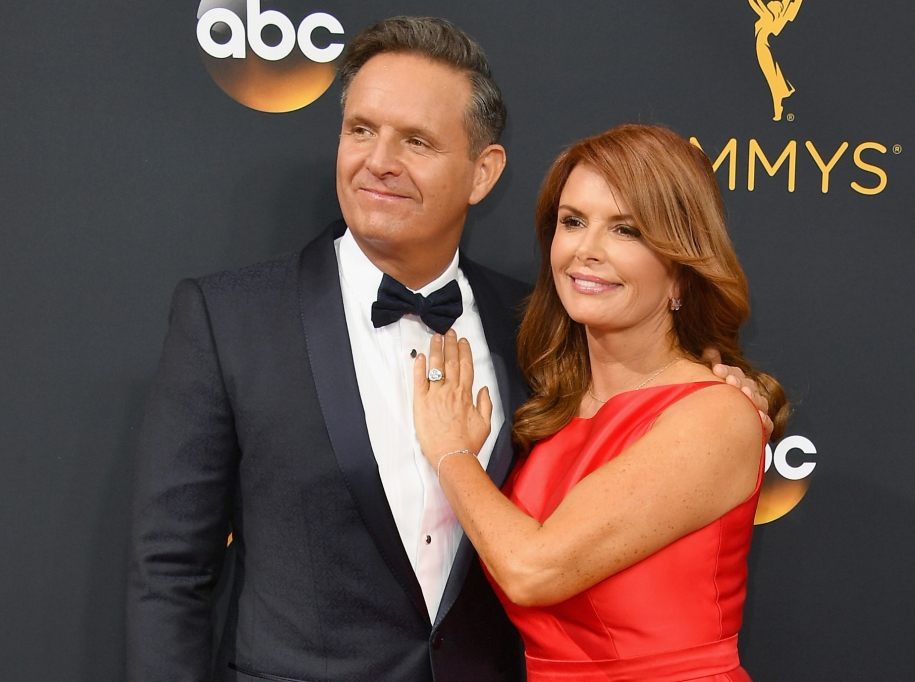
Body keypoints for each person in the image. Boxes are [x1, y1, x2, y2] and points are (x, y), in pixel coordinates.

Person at [126, 16, 773, 682]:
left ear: (482, 173)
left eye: (417, 141)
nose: (379, 161)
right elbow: (171, 571)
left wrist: (726, 403)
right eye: (361, 130)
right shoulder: (230, 319)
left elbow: (655, 423)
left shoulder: (539, 330)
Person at [412, 124, 788, 681]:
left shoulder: (715, 412)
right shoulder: (551, 408)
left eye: (626, 230)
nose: (586, 251)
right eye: (572, 222)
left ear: (680, 270)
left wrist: (451, 454)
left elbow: (531, 569)